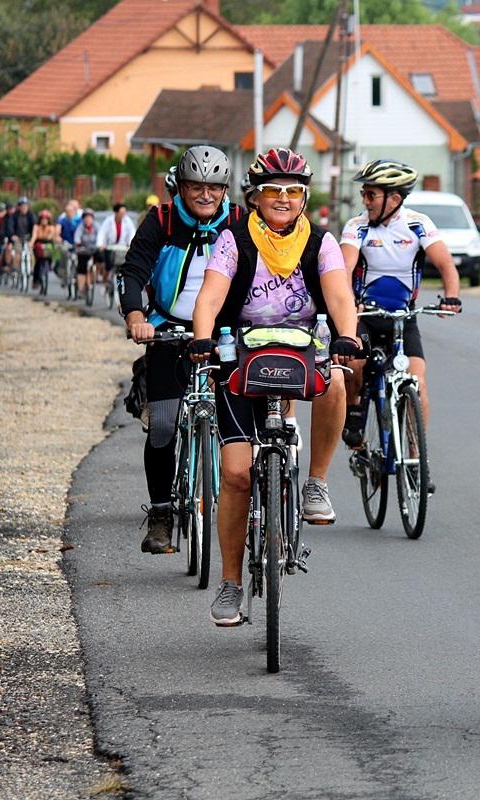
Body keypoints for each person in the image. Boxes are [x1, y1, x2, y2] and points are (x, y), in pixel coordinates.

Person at [190, 147, 360, 627]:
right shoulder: (234, 239)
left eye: (293, 191)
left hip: (302, 352)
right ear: (255, 197)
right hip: (240, 357)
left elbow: (339, 295)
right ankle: (230, 583)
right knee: (236, 475)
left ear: (304, 197)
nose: (283, 199)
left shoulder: (320, 243)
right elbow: (210, 297)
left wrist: (347, 335)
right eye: (272, 190)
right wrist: (203, 338)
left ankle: (316, 483)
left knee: (336, 380)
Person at [118, 145, 245, 554]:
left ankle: (260, 503)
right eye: (196, 186)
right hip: (167, 331)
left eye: (214, 187)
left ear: (224, 189)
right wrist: (135, 316)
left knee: (249, 418)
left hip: (224, 333)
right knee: (162, 424)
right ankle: (161, 515)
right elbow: (133, 270)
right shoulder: (162, 219)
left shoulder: (240, 221)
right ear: (182, 187)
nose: (205, 195)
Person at [339, 159, 462, 449]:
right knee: (353, 365)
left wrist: (452, 296)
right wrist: (348, 305)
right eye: (363, 194)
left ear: (394, 199)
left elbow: (446, 264)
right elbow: (344, 269)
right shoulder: (357, 226)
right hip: (365, 314)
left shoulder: (418, 224)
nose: (365, 200)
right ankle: (354, 415)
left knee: (418, 382)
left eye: (371, 194)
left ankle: (416, 456)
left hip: (403, 317)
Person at [95, 202, 136, 287]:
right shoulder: (108, 220)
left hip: (121, 247)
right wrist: (100, 244)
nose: (123, 215)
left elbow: (132, 232)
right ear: (116, 212)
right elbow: (102, 232)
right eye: (121, 213)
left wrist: (131, 243)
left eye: (124, 213)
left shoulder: (127, 220)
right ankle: (105, 283)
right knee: (108, 266)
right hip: (110, 247)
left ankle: (119, 285)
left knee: (123, 267)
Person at [2, 196, 37, 275]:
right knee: (18, 252)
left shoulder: (31, 215)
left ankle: (31, 269)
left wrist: (32, 240)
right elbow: (10, 226)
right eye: (22, 205)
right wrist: (12, 235)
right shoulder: (14, 216)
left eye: (26, 205)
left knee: (30, 253)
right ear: (19, 207)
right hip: (17, 238)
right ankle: (16, 269)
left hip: (28, 238)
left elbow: (34, 227)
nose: (24, 207)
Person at [28, 209, 60, 293]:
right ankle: (36, 280)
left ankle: (48, 267)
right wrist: (31, 243)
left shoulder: (51, 227)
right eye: (42, 219)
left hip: (48, 244)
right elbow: (34, 236)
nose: (44, 221)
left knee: (49, 257)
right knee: (37, 263)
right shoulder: (36, 227)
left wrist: (55, 240)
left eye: (46, 219)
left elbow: (53, 236)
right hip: (38, 244)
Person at [73, 210, 98, 299]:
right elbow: (77, 237)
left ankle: (96, 278)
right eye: (86, 218)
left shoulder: (96, 226)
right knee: (82, 267)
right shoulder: (80, 227)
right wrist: (78, 243)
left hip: (94, 249)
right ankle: (81, 288)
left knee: (100, 258)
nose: (88, 220)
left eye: (89, 218)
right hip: (83, 250)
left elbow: (101, 236)